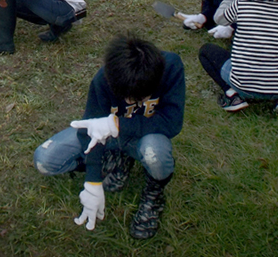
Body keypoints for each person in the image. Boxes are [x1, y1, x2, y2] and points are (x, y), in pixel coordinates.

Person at [33, 34, 185, 240]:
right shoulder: (104, 78)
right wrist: (92, 181)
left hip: (145, 136)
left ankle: (154, 193)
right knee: (45, 160)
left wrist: (118, 124)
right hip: (109, 136)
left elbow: (172, 122)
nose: (129, 101)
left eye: (137, 98)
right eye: (125, 97)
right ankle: (118, 159)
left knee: (155, 152)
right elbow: (89, 132)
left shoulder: (171, 67)